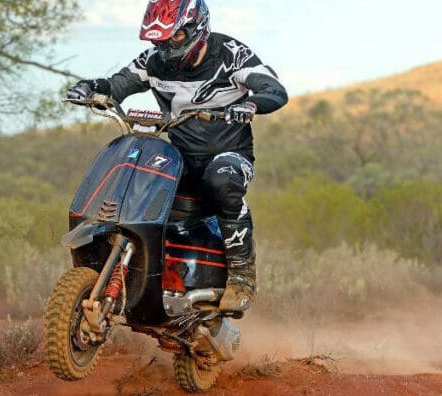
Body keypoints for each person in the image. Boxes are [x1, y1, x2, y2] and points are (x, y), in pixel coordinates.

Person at [66, 0, 288, 312]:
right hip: (178, 155)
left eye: (175, 37)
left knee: (222, 179)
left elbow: (275, 89)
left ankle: (241, 275)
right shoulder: (154, 60)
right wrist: (90, 87)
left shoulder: (232, 55)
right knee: (133, 174)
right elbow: (117, 84)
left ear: (197, 28)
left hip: (229, 155)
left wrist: (250, 105)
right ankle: (135, 270)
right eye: (159, 41)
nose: (167, 47)